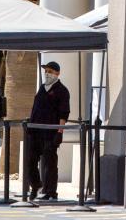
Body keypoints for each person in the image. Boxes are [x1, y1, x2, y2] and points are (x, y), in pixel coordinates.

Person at [26, 61, 70, 201]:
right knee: (30, 160)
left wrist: (59, 132)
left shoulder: (62, 91)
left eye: (50, 71)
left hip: (50, 133)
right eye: (46, 71)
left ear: (57, 73)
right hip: (36, 132)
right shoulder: (42, 88)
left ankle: (50, 192)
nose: (47, 73)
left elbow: (64, 113)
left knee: (49, 163)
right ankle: (36, 185)